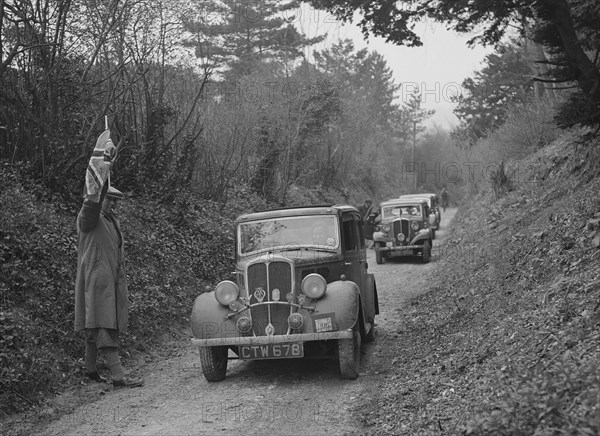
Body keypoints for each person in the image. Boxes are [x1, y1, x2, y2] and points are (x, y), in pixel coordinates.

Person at [74, 130, 143, 389]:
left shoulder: (110, 220)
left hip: (108, 283)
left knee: (95, 326)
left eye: (117, 202)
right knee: (104, 327)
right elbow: (90, 202)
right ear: (101, 199)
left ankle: (90, 370)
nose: (114, 205)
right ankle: (118, 377)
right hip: (96, 282)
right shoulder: (89, 216)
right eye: (110, 201)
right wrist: (101, 172)